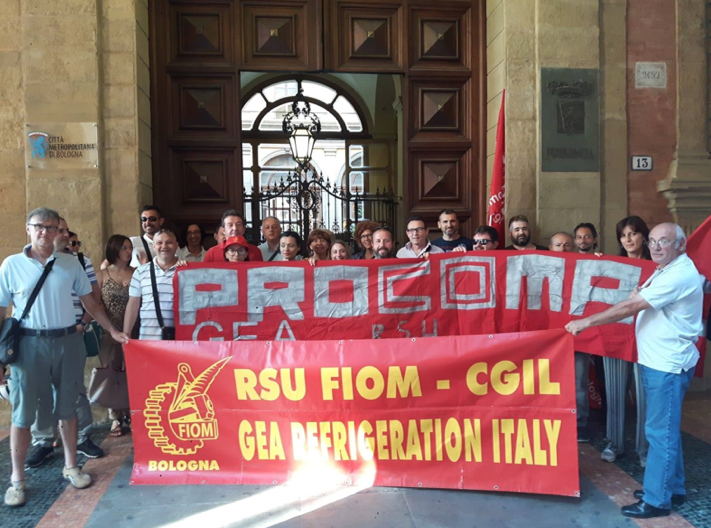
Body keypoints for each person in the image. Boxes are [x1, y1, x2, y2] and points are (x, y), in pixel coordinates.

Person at [566, 223, 703, 519]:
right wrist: (638, 295)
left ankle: (657, 500)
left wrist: (586, 322)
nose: (655, 247)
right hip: (659, 362)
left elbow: (630, 308)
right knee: (665, 430)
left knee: (659, 433)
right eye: (652, 241)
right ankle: (672, 488)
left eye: (664, 241)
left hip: (667, 366)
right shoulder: (666, 269)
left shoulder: (678, 274)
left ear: (680, 244)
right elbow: (641, 300)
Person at [0, 207, 128, 507]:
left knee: (68, 407)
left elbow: (91, 304)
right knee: (23, 413)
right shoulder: (12, 265)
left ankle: (71, 466)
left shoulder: (71, 264)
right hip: (28, 344)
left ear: (60, 231)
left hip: (68, 341)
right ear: (28, 229)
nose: (45, 232)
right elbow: (1, 310)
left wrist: (113, 330)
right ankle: (17, 480)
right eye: (39, 226)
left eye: (52, 227)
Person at [25, 217, 106, 470]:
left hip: (72, 335)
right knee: (42, 391)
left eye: (63, 230)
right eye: (56, 230)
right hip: (38, 339)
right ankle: (44, 441)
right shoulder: (28, 262)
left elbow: (94, 297)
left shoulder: (80, 262)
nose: (61, 234)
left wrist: (83, 323)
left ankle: (82, 437)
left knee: (74, 389)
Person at [598, 216, 651, 465]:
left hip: (646, 338)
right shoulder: (611, 266)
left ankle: (644, 449)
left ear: (644, 236)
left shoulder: (658, 268)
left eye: (633, 233)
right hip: (615, 337)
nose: (628, 239)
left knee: (644, 396)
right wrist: (595, 265)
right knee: (615, 392)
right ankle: (615, 443)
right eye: (623, 235)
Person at [548, 231, 590, 442]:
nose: (562, 249)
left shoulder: (584, 268)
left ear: (572, 247)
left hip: (577, 337)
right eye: (558, 245)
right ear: (550, 248)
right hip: (548, 339)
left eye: (566, 245)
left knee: (578, 381)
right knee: (548, 381)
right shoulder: (541, 270)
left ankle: (580, 424)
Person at [96, 235, 135, 437]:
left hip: (133, 331)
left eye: (130, 247)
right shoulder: (102, 275)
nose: (128, 251)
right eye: (124, 248)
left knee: (132, 374)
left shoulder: (136, 273)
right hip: (109, 332)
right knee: (111, 374)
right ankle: (114, 417)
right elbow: (96, 306)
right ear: (114, 250)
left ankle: (131, 413)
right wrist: (110, 328)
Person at [123, 230, 179, 340]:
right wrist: (126, 333)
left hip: (181, 340)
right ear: (153, 246)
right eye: (159, 243)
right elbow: (133, 305)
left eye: (169, 242)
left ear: (176, 245)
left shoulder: (187, 271)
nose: (164, 246)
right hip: (148, 339)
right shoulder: (140, 272)